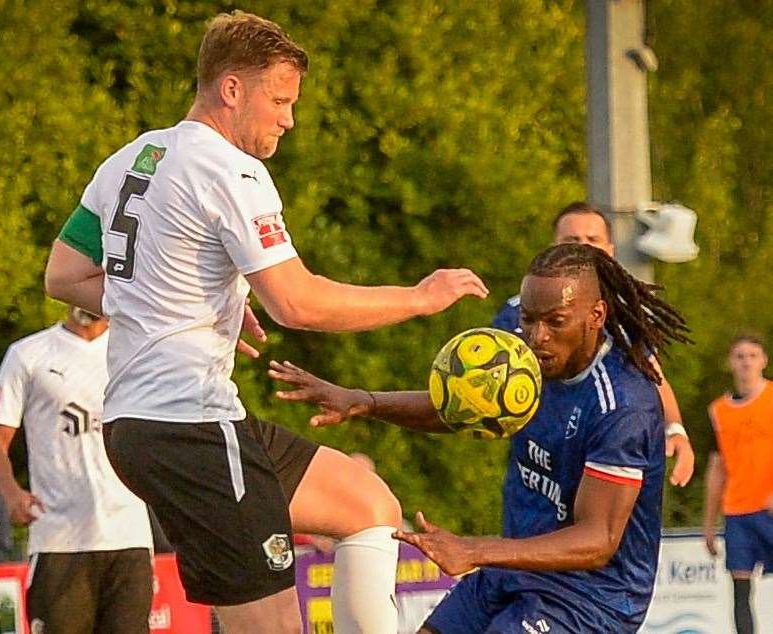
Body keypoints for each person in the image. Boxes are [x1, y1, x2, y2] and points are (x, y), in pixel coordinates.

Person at [42, 10, 487, 634]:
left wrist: (188, 291)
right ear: (232, 89)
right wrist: (419, 296)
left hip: (143, 426)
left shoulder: (132, 157)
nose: (288, 118)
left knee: (369, 504)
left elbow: (62, 275)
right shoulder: (231, 169)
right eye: (279, 99)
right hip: (190, 428)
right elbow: (298, 303)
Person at [270, 243, 693, 633]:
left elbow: (597, 540)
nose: (536, 336)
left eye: (555, 322)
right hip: (511, 569)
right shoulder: (520, 344)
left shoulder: (622, 405)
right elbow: (459, 405)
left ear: (596, 316)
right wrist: (363, 401)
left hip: (589, 600)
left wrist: (473, 550)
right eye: (529, 319)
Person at [493, 201, 695, 487]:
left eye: (593, 239)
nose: (583, 246)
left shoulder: (626, 315)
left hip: (598, 459)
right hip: (534, 473)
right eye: (572, 240)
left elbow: (651, 371)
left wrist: (674, 428)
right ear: (554, 247)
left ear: (610, 250)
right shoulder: (517, 311)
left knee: (597, 526)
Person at [0, 307, 154, 634]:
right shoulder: (28, 354)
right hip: (59, 539)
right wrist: (11, 493)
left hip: (128, 535)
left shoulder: (136, 351)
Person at [703, 334, 773, 634]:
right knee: (740, 588)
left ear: (764, 361)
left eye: (752, 355)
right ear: (730, 362)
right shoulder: (718, 411)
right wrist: (709, 522)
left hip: (769, 506)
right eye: (740, 356)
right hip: (738, 511)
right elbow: (717, 466)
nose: (746, 362)